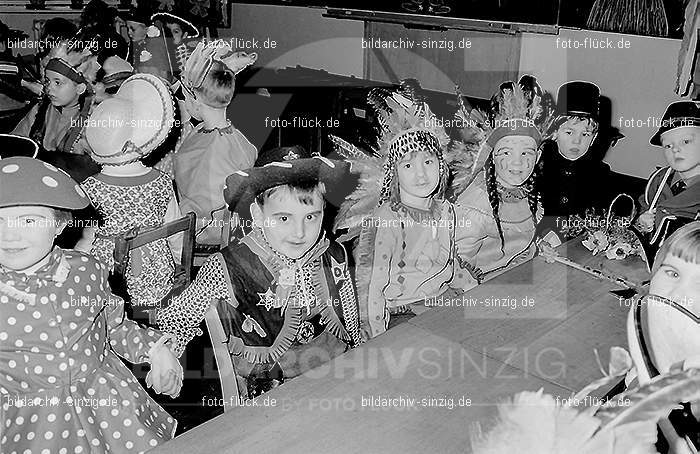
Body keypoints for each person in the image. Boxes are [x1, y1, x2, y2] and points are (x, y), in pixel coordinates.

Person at [0, 153, 182, 453]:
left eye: (29, 220)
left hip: (109, 407)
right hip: (30, 423)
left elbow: (114, 326)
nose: (10, 235)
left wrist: (155, 350)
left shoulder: (86, 269)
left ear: (59, 223)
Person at [157, 146, 362, 398]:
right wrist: (164, 353)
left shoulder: (334, 255)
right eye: (284, 219)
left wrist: (359, 353)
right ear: (257, 214)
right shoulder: (229, 266)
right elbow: (179, 317)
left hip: (331, 365)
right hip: (270, 384)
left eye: (311, 217)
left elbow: (350, 320)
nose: (299, 233)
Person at [332, 80, 478, 339]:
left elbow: (449, 262)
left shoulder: (445, 211)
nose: (421, 174)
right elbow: (373, 286)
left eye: (428, 161)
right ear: (394, 175)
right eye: (408, 166)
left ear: (441, 167)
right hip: (403, 311)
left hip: (440, 299)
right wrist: (375, 336)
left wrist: (474, 290)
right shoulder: (387, 219)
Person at [78, 73, 182, 322]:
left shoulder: (90, 188)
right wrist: (177, 266)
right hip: (159, 281)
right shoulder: (163, 181)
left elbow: (83, 245)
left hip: (109, 285)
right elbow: (175, 233)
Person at [454, 76, 549, 279]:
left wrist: (537, 247)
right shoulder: (475, 208)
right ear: (492, 156)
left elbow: (517, 241)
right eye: (506, 152)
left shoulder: (524, 190)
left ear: (538, 156)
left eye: (526, 153)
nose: (517, 163)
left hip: (517, 274)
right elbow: (456, 267)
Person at [174, 39, 258, 245]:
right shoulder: (234, 137)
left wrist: (169, 230)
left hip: (208, 233)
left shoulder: (213, 151)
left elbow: (198, 209)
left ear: (195, 99)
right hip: (216, 223)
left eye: (184, 97)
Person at [538, 81, 615, 239]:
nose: (577, 141)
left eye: (585, 134)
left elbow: (603, 220)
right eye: (569, 132)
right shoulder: (536, 164)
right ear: (554, 132)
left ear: (593, 139)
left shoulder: (601, 174)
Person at [635, 101, 700, 265]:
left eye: (685, 141)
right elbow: (643, 209)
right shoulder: (658, 180)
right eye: (668, 145)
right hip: (648, 263)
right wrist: (642, 223)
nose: (675, 149)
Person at [151, 12, 199, 80]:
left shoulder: (191, 54)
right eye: (168, 31)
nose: (171, 35)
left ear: (185, 35)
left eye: (176, 32)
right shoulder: (159, 50)